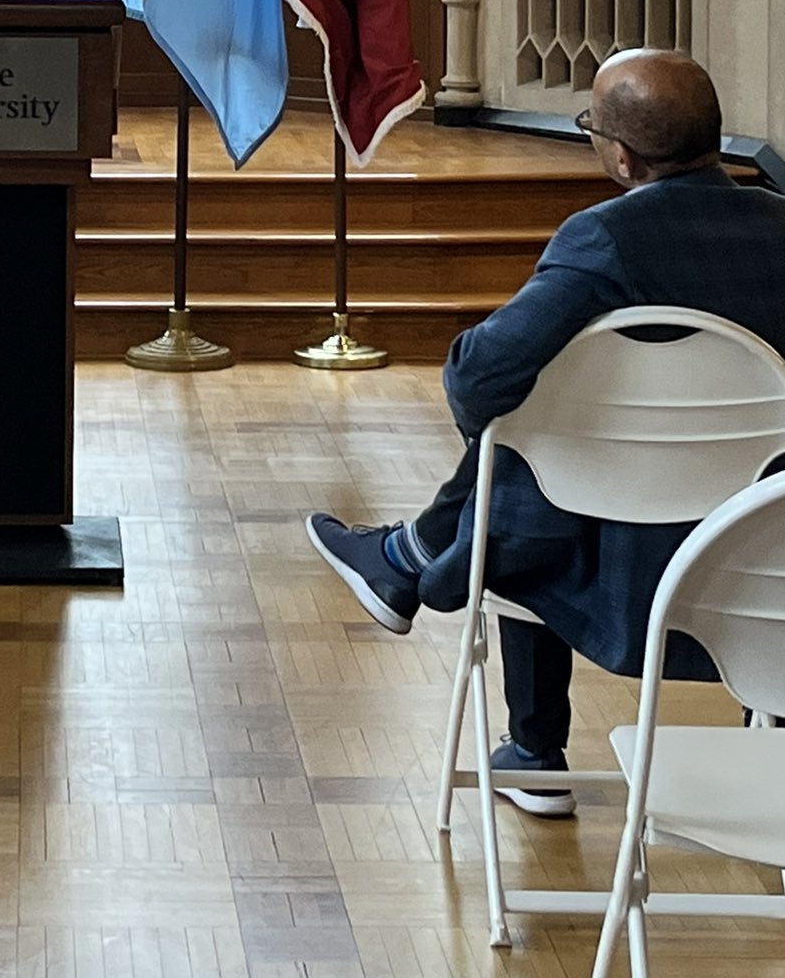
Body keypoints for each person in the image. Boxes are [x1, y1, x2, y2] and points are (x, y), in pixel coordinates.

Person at [305, 49, 785, 818]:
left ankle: (532, 747)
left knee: (527, 454)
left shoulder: (606, 239)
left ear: (622, 158)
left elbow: (476, 377)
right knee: (544, 445)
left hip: (619, 564)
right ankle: (770, 750)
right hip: (760, 559)